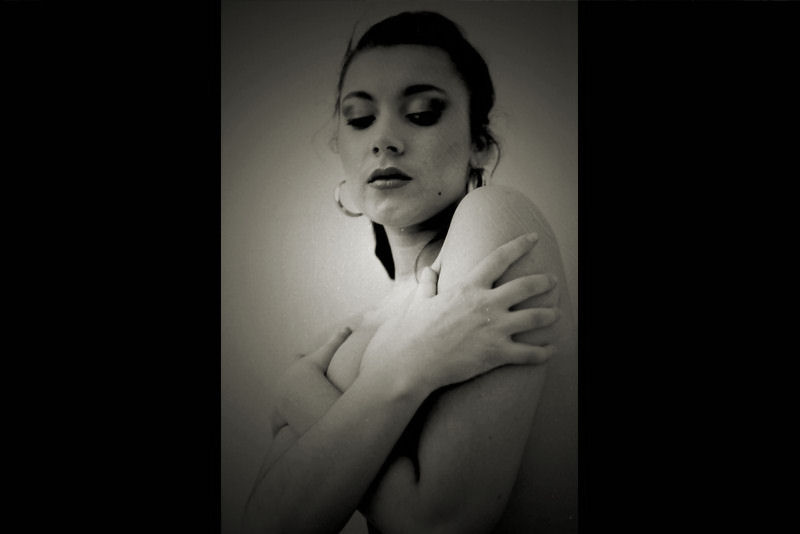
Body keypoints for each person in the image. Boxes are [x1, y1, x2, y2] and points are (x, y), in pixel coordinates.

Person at [242, 11, 577, 534]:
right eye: (359, 119)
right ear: (341, 148)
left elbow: (439, 524)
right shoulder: (354, 330)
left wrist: (303, 395)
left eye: (422, 112)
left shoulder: (496, 216)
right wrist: (409, 369)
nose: (384, 139)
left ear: (479, 144)